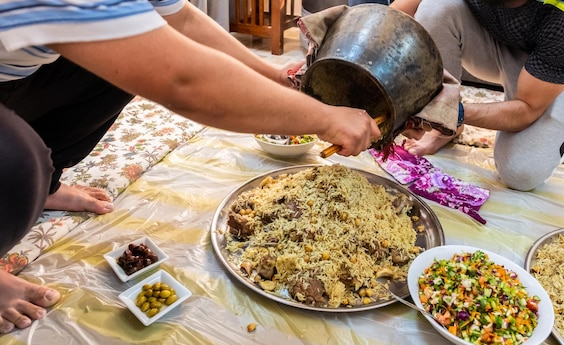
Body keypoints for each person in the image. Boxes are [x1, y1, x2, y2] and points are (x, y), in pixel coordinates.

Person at [0, 0, 382, 334]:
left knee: (122, 55)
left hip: (17, 74)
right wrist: (325, 119)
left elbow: (179, 21)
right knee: (17, 160)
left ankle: (48, 183)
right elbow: (181, 79)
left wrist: (275, 76)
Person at [390, 0, 564, 191]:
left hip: (549, 64)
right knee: (433, 7)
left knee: (521, 173)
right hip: (489, 39)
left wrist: (452, 113)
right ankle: (445, 131)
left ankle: (562, 110)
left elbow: (527, 107)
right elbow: (397, 14)